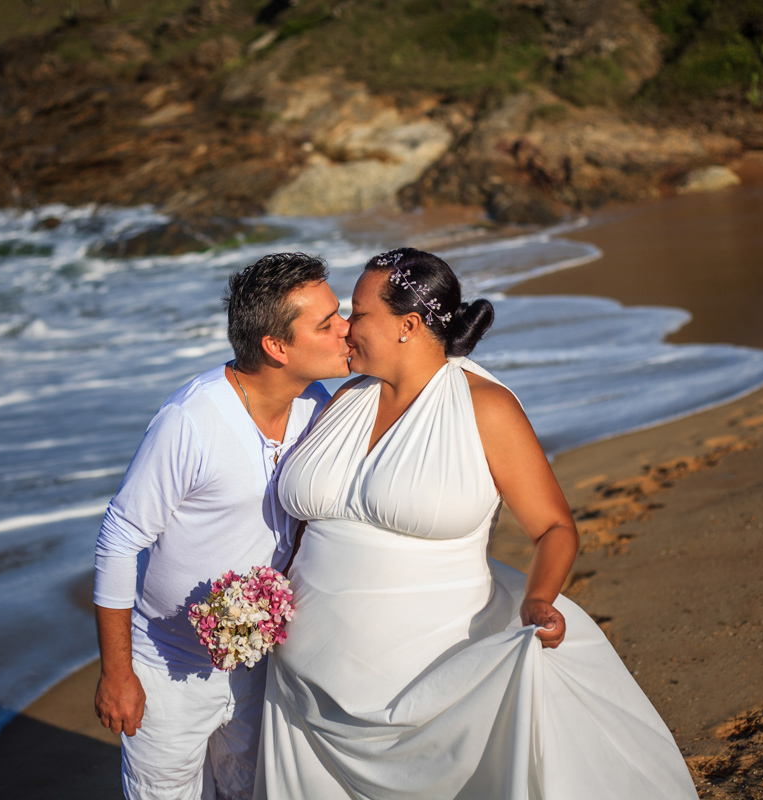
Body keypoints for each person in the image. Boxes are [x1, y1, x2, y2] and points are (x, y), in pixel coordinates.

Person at [255, 248, 700, 798]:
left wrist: (540, 600)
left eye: (359, 313)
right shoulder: (344, 397)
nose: (344, 327)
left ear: (408, 326)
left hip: (432, 685)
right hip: (301, 690)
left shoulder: (485, 408)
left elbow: (555, 528)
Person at [92, 252, 351, 800]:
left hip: (261, 659)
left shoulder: (318, 406)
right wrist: (117, 674)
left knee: (251, 790)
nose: (345, 330)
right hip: (166, 662)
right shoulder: (192, 420)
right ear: (277, 347)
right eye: (327, 324)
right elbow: (119, 538)